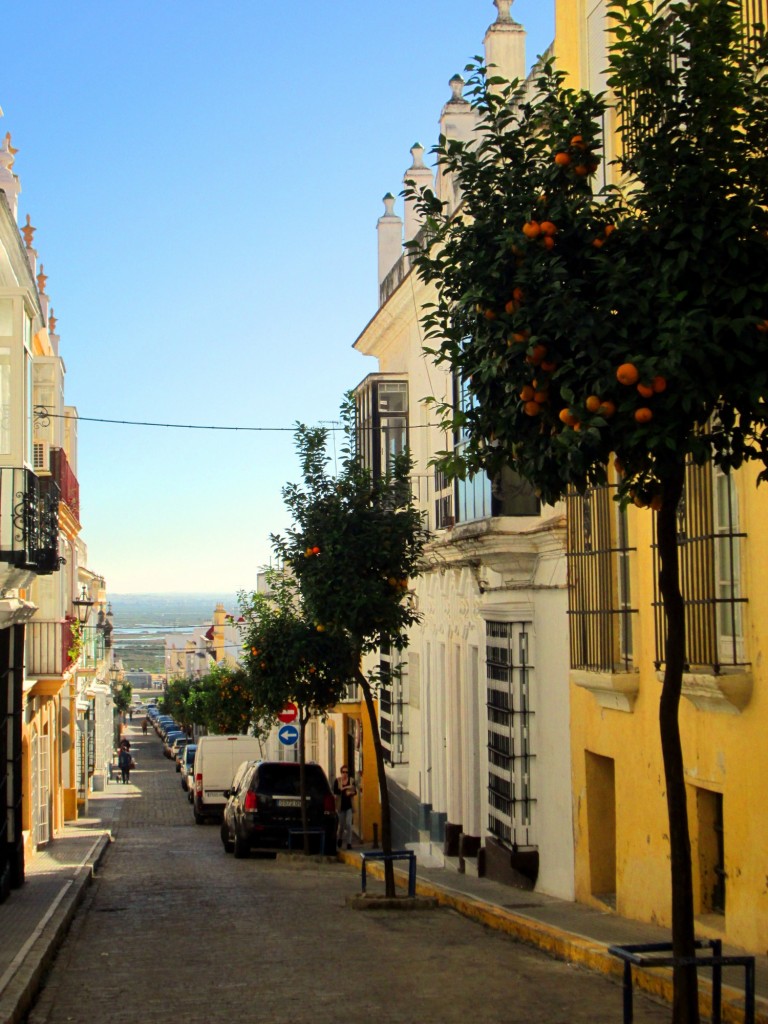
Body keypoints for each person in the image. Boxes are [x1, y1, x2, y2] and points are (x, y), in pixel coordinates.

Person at [333, 765, 357, 850]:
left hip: (349, 806)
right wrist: (346, 788)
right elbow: (336, 791)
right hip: (340, 806)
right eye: (343, 772)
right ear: (341, 772)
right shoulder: (337, 781)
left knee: (349, 825)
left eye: (346, 772)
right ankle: (340, 839)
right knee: (342, 825)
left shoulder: (351, 781)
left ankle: (349, 843)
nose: (345, 774)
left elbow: (355, 791)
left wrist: (351, 793)